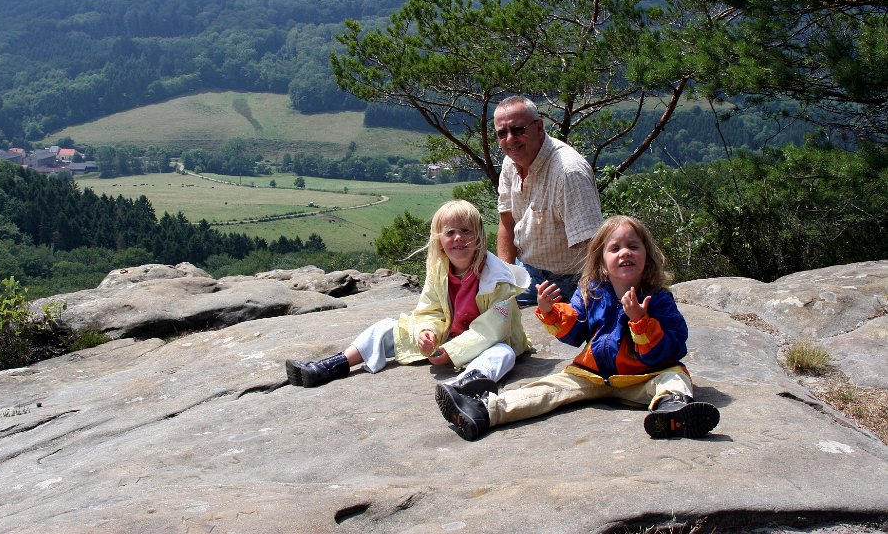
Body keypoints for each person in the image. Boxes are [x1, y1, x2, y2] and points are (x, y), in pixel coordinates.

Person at [435, 215, 720, 441]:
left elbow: (674, 346)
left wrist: (641, 322)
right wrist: (551, 312)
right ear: (602, 261)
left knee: (674, 376)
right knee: (548, 388)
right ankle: (484, 411)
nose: (625, 253)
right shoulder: (592, 292)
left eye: (634, 246)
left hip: (642, 378)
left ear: (647, 257)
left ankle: (672, 410)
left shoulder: (658, 298)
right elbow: (575, 333)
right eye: (615, 248)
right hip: (593, 375)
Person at [285, 199, 532, 393]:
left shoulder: (498, 278)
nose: (458, 238)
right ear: (439, 240)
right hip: (447, 338)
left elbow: (493, 329)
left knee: (503, 354)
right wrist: (427, 333)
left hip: (483, 344)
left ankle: (462, 388)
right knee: (385, 327)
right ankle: (332, 366)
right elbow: (430, 309)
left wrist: (452, 351)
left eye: (466, 231)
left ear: (479, 236)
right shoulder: (439, 269)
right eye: (450, 232)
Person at [495, 96, 604, 306]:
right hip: (526, 271)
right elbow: (507, 220)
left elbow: (593, 246)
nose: (510, 139)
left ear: (539, 127)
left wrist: (587, 301)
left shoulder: (568, 172)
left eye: (517, 130)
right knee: (479, 304)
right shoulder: (510, 162)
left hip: (570, 281)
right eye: (502, 133)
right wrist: (504, 278)